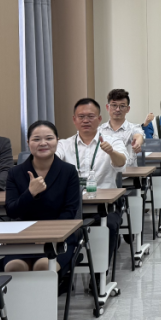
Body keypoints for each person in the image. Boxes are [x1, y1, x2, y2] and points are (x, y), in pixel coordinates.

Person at [3, 120, 82, 320]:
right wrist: (31, 193)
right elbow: (12, 211)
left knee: (42, 267)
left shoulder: (68, 171)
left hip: (59, 239)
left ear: (57, 141)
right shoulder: (16, 173)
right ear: (28, 143)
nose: (43, 143)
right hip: (23, 240)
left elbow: (70, 212)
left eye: (49, 138)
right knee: (13, 268)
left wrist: (47, 232)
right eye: (36, 139)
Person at [57, 98, 127, 255]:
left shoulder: (112, 141)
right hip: (72, 205)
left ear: (99, 119)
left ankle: (100, 269)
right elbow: (52, 160)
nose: (85, 120)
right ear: (74, 119)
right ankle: (67, 264)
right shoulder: (64, 144)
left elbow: (121, 163)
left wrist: (111, 152)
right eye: (81, 117)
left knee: (109, 225)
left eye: (90, 116)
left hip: (104, 204)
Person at [104, 88, 145, 169]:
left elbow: (138, 136)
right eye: (114, 105)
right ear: (107, 107)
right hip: (106, 174)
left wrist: (137, 144)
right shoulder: (100, 130)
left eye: (122, 106)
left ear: (128, 109)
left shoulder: (133, 128)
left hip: (128, 174)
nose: (118, 109)